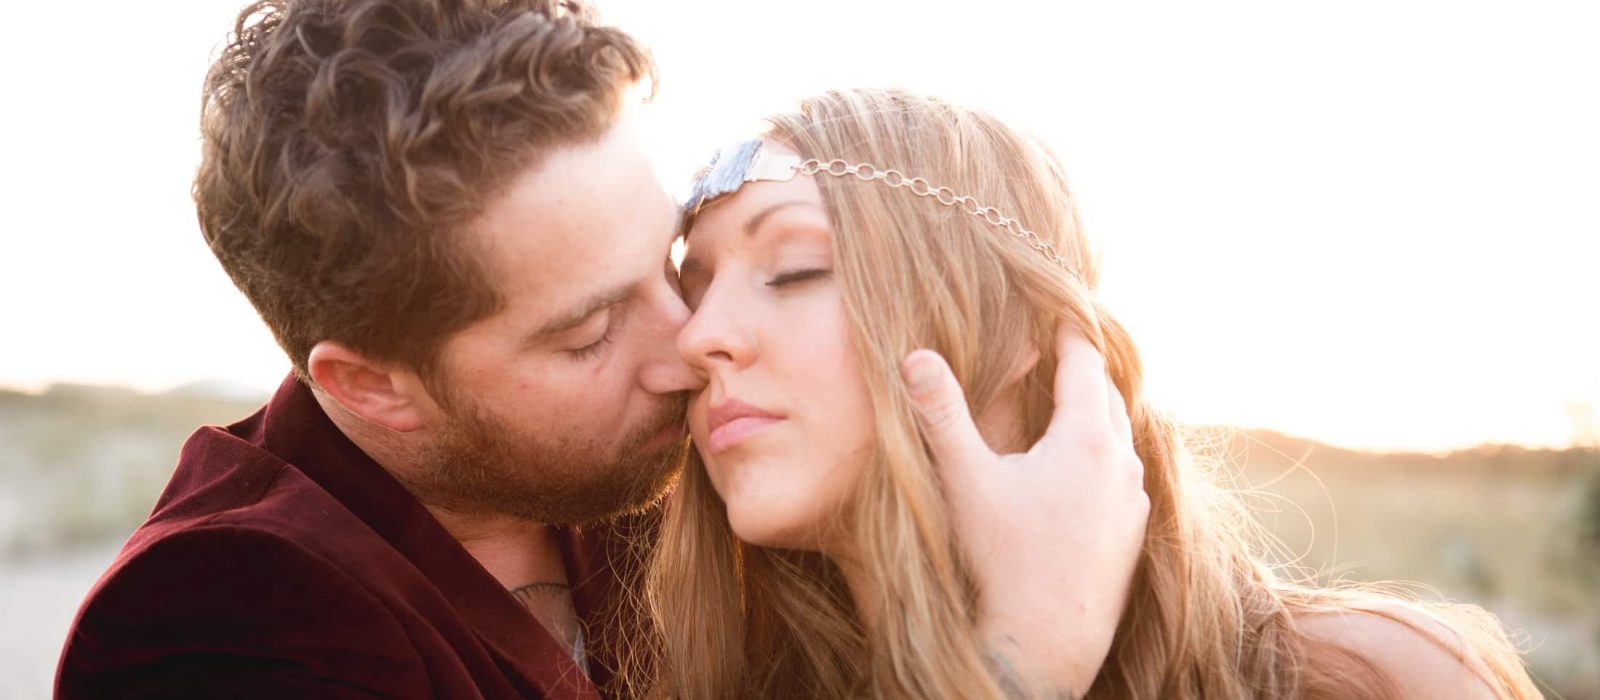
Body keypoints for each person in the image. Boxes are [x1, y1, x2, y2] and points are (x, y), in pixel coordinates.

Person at [55, 2, 1146, 698]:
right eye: (587, 331)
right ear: (370, 385)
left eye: (669, 264)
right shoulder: (210, 628)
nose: (694, 347)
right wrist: (1015, 667)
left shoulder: (691, 480)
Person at [641, 88, 1544, 699]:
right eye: (698, 283)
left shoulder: (1365, 681)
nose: (696, 336)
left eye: (794, 269)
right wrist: (1024, 659)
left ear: (1022, 328)